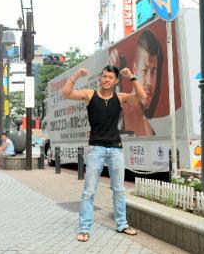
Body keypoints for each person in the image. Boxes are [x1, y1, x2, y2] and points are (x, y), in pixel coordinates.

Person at [61, 65, 146, 242]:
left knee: (119, 190)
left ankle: (122, 224)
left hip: (116, 148)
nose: (106, 79)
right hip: (95, 148)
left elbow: (140, 96)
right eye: (104, 76)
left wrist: (131, 76)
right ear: (100, 78)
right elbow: (66, 93)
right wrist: (77, 75)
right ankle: (85, 228)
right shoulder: (89, 95)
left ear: (115, 81)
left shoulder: (120, 97)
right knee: (89, 191)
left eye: (110, 77)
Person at [117, 30, 162, 136]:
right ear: (135, 69)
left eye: (154, 72)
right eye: (145, 70)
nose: (149, 82)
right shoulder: (119, 110)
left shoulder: (150, 130)